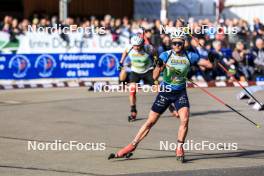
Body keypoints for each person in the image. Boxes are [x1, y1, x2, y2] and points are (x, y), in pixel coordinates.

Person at [109, 30, 212, 162]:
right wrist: (159, 67)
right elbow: (154, 76)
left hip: (180, 92)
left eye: (179, 44)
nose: (176, 46)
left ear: (184, 43)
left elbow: (208, 65)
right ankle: (132, 145)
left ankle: (179, 147)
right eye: (174, 43)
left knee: (184, 119)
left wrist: (212, 57)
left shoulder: (190, 56)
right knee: (150, 122)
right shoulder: (165, 55)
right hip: (165, 92)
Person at [119, 34, 155, 122]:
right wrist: (121, 61)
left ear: (142, 44)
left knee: (158, 89)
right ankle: (133, 111)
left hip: (148, 70)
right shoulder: (130, 47)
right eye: (135, 46)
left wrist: (156, 60)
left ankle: (169, 106)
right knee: (132, 91)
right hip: (135, 71)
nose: (136, 48)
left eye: (138, 46)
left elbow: (155, 52)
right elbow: (125, 52)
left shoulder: (147, 48)